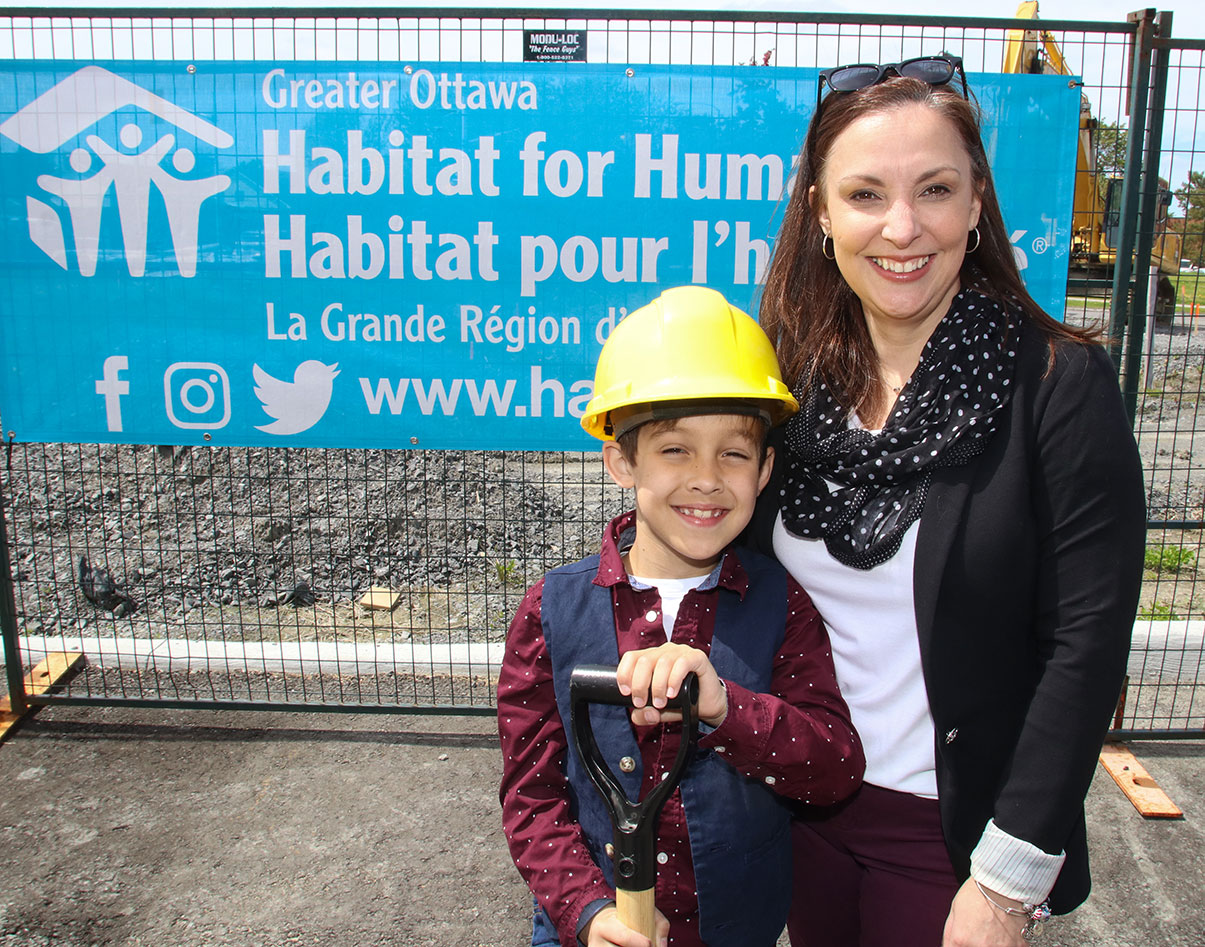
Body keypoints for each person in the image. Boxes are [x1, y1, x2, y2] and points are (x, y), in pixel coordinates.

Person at [752, 55, 1147, 947]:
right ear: (818, 212)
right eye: (862, 194)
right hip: (800, 808)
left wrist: (1005, 882)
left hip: (950, 836)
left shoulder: (1056, 383)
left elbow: (1084, 647)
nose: (901, 226)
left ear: (975, 206)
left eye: (933, 188)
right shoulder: (788, 376)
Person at [498, 286, 865, 947]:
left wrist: (727, 709)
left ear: (764, 470)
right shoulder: (550, 609)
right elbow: (533, 796)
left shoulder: (782, 605)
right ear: (620, 460)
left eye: (733, 452)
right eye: (674, 449)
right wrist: (586, 910)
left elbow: (833, 766)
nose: (705, 478)